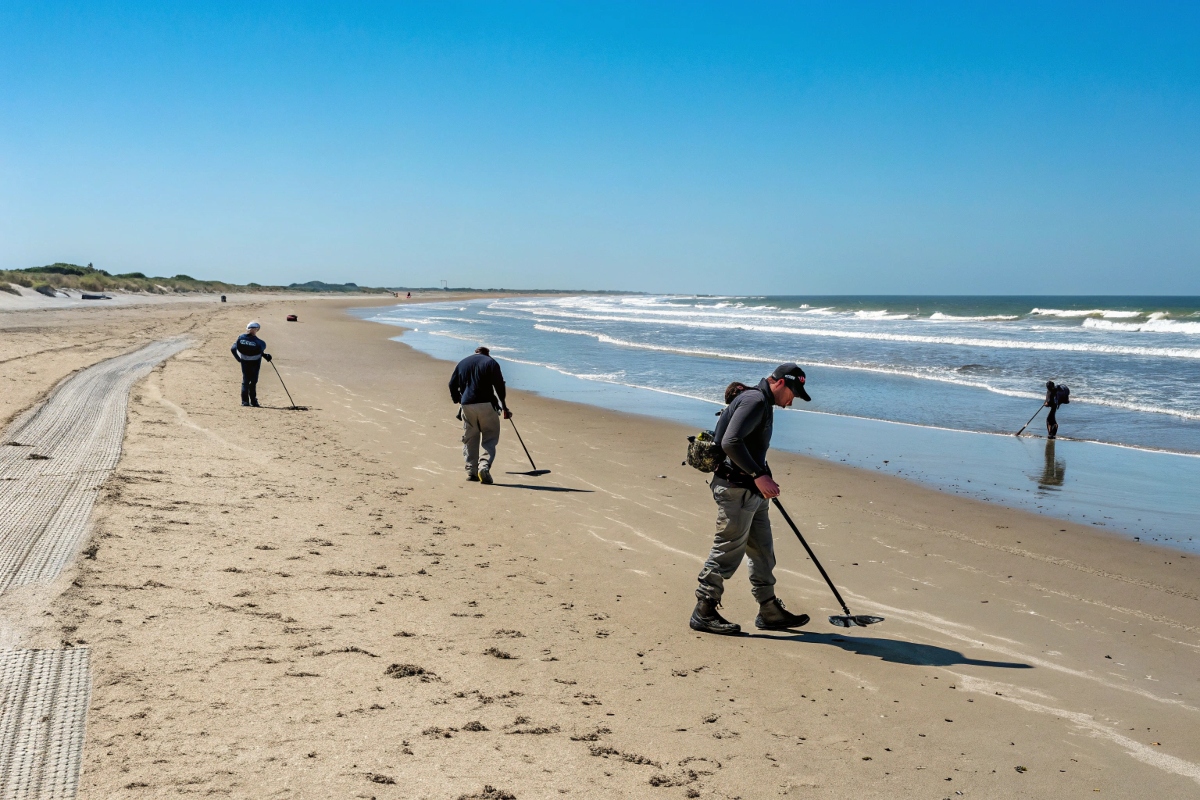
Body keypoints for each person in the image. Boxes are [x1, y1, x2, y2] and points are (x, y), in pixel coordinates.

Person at [691, 363, 813, 635]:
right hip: (736, 490)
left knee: (762, 552)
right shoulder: (755, 400)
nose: (792, 401)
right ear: (780, 383)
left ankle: (769, 611)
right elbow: (730, 442)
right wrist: (759, 474)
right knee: (728, 549)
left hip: (750, 491)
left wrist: (763, 476)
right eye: (793, 393)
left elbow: (747, 444)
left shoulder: (761, 402)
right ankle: (704, 610)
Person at [449, 346, 511, 484]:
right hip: (486, 404)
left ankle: (472, 471)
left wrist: (458, 400)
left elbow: (452, 384)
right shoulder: (491, 362)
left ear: (475, 352)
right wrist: (505, 406)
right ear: (487, 353)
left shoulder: (463, 363)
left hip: (467, 404)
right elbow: (499, 385)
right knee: (490, 436)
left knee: (470, 437)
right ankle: (484, 466)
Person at [231, 321, 271, 407]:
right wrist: (266, 356)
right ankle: (253, 401)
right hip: (255, 362)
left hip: (244, 361)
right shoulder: (260, 342)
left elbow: (233, 348)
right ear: (256, 330)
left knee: (245, 381)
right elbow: (259, 351)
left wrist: (239, 359)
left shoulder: (240, 338)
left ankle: (244, 401)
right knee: (253, 381)